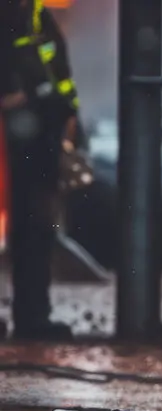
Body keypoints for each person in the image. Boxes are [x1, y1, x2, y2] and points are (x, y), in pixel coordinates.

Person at [0, 0, 79, 340]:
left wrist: (70, 122)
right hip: (13, 143)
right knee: (28, 231)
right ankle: (32, 318)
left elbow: (61, 77)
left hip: (40, 143)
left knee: (37, 232)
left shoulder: (37, 16)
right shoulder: (13, 14)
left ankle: (33, 318)